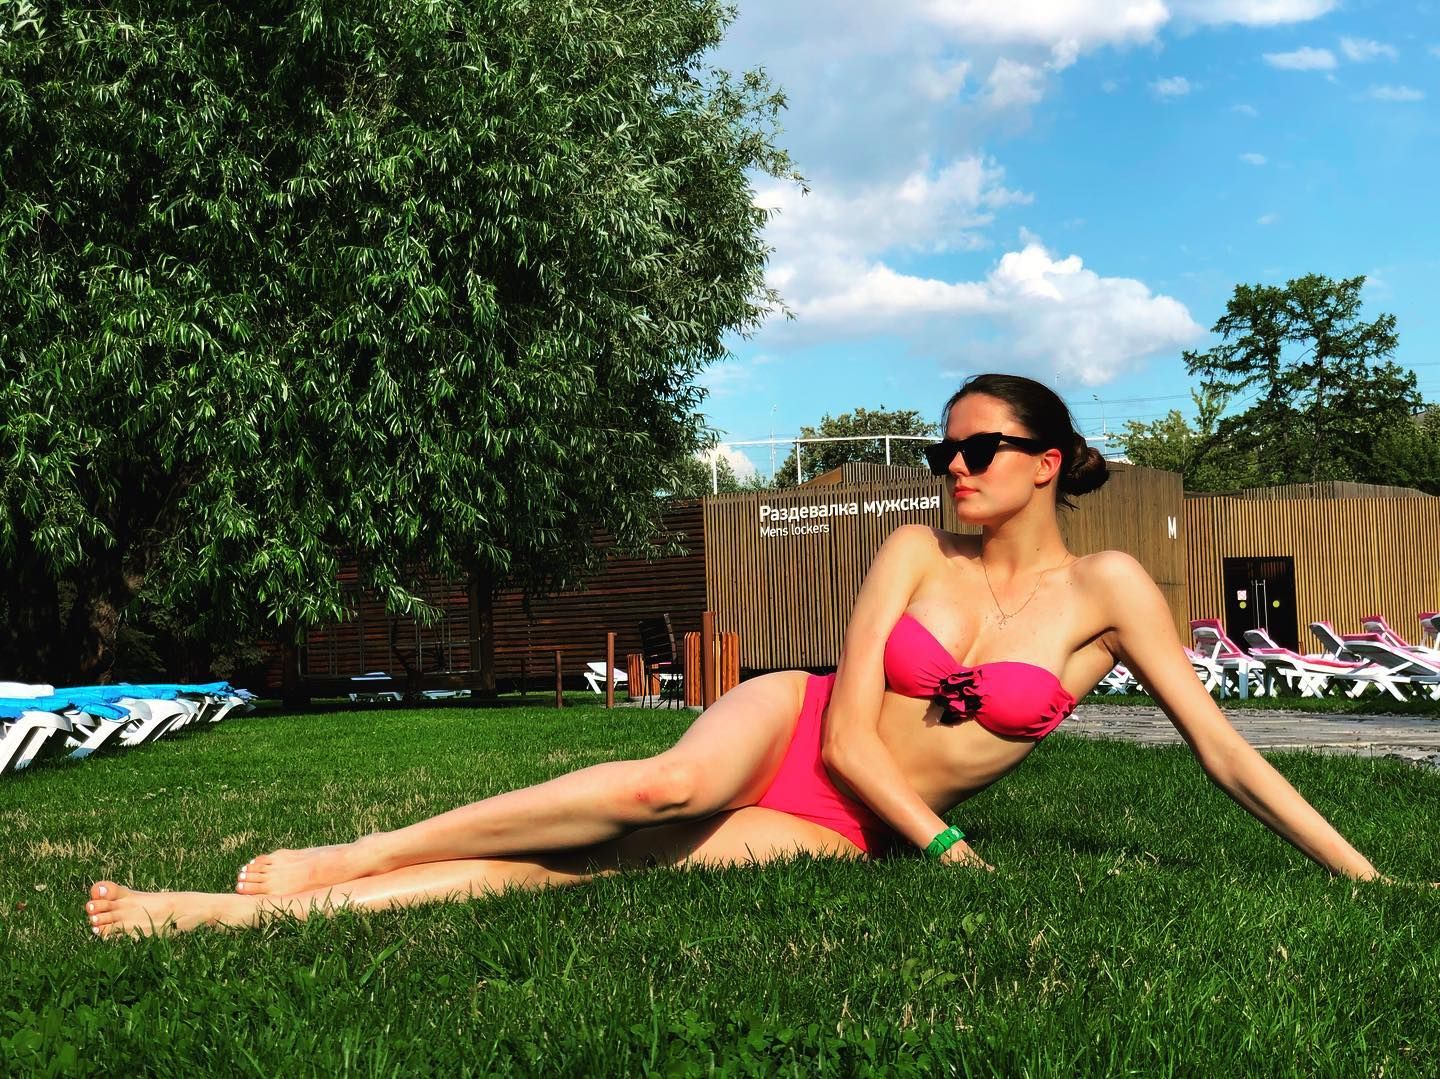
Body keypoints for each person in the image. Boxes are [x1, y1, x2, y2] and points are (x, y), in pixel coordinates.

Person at [84, 373, 1386, 937]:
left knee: (580, 877)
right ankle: (357, 853)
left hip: (854, 825)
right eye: (944, 450)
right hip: (799, 728)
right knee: (667, 786)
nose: (954, 467)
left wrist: (1368, 878)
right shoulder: (912, 549)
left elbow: (1226, 756)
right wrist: (948, 850)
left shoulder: (1113, 591)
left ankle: (235, 916)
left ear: (1047, 463)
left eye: (978, 450)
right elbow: (846, 731)